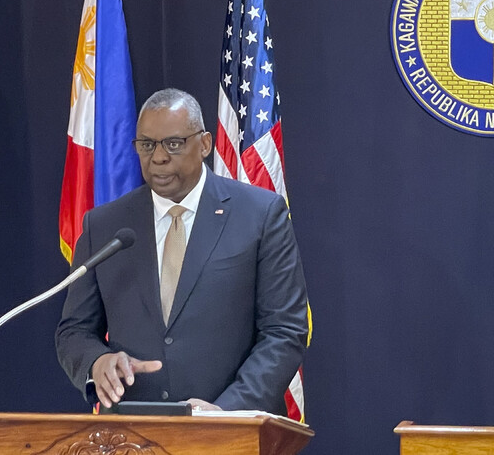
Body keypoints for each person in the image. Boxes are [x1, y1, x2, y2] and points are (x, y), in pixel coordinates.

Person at [56, 88, 309, 414]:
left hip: (233, 429)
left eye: (173, 144)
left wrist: (228, 410)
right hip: (132, 432)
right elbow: (74, 330)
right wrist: (96, 361)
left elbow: (284, 331)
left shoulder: (260, 215)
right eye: (146, 145)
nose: (158, 157)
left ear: (204, 144)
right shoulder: (105, 225)